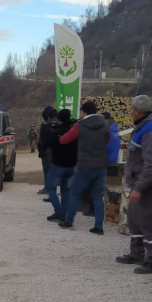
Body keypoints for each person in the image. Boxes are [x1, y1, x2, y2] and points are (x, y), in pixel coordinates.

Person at [115, 95, 152, 274]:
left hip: (147, 186)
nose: (130, 112)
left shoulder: (150, 130)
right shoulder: (144, 127)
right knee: (134, 219)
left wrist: (139, 187)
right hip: (139, 184)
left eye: (131, 109)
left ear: (138, 111)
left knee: (148, 221)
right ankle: (136, 253)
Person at [58, 101, 110, 235]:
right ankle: (98, 227)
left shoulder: (79, 125)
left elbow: (64, 140)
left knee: (75, 193)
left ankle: (69, 221)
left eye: (81, 112)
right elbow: (107, 139)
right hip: (101, 166)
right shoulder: (105, 124)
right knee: (98, 197)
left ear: (84, 112)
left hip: (85, 166)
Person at [42, 109, 78, 222]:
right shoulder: (74, 130)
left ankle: (58, 210)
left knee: (50, 187)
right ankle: (65, 213)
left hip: (58, 165)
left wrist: (51, 129)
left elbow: (47, 143)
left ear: (60, 119)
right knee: (65, 190)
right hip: (71, 165)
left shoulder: (58, 131)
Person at [38, 106, 56, 196]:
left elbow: (42, 139)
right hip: (53, 150)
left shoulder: (46, 124)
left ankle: (48, 188)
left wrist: (41, 150)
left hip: (46, 150)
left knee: (47, 170)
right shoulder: (56, 123)